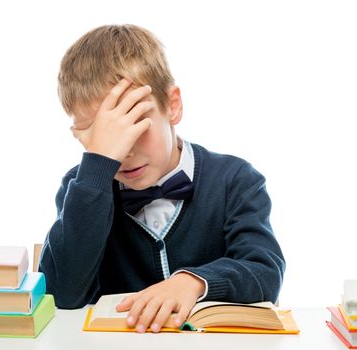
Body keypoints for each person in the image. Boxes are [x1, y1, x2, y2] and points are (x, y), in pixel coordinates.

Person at [39, 24, 285, 333]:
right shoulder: (82, 188)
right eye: (106, 135)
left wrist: (194, 282)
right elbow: (61, 294)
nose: (123, 152)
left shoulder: (235, 179)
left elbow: (266, 271)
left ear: (172, 105)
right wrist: (96, 168)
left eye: (135, 125)